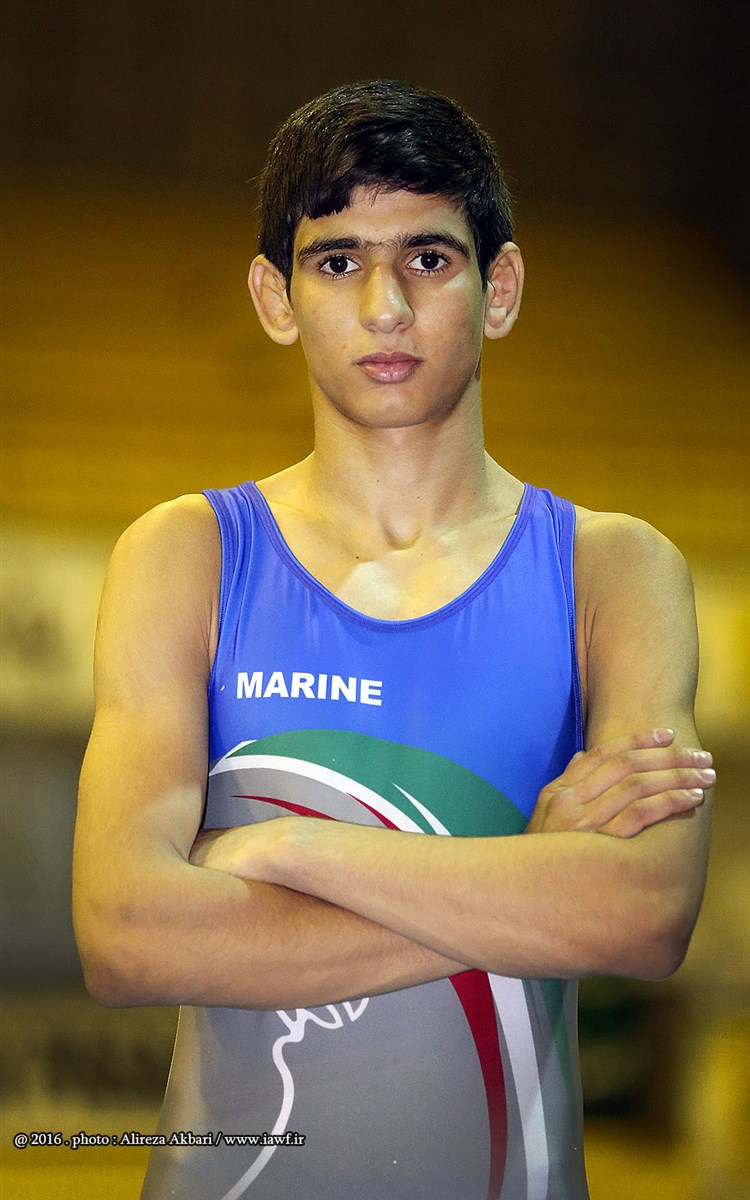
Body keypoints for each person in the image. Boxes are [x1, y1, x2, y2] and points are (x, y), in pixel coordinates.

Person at [72, 79, 713, 1200]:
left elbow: (645, 915)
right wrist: (528, 877)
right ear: (275, 297)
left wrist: (284, 852)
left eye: (427, 257)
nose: (384, 305)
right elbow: (125, 936)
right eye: (337, 261)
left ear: (498, 288)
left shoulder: (613, 572)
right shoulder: (189, 555)